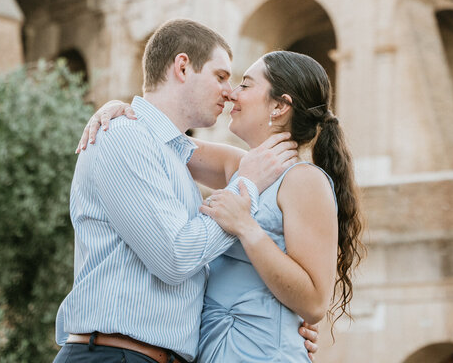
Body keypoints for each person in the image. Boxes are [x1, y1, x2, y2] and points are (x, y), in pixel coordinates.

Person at [53, 19, 315, 363]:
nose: (230, 92)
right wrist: (246, 186)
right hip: (116, 355)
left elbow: (195, 271)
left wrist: (277, 323)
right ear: (182, 66)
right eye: (221, 76)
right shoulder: (124, 136)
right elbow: (175, 258)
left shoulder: (171, 153)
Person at [81, 50, 364, 362]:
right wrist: (119, 110)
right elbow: (159, 139)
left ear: (280, 106)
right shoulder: (239, 167)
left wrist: (247, 229)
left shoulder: (304, 181)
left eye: (245, 84)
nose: (232, 94)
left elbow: (313, 303)